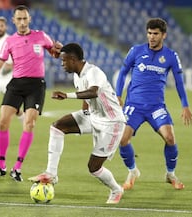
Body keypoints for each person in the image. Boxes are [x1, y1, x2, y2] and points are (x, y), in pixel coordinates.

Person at [28, 43, 126, 204]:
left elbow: (93, 92)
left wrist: (67, 96)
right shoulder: (77, 75)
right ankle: (51, 173)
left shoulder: (94, 72)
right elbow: (86, 98)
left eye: (64, 61)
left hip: (112, 122)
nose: (62, 64)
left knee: (93, 167)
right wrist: (84, 115)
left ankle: (116, 189)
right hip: (93, 117)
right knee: (58, 126)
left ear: (73, 59)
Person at [0, 5, 62, 182]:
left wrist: (59, 49)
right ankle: (1, 165)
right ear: (14, 21)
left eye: (24, 18)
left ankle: (17, 168)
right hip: (16, 83)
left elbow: (55, 53)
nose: (22, 22)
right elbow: (0, 61)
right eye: (18, 19)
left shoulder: (41, 36)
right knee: (3, 122)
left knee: (30, 124)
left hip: (36, 85)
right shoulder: (10, 41)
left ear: (29, 19)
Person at [115, 18, 192, 191]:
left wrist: (185, 105)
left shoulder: (171, 56)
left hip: (156, 107)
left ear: (163, 35)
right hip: (134, 105)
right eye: (149, 33)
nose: (151, 37)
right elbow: (122, 73)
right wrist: (118, 95)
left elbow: (179, 82)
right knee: (122, 139)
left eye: (155, 34)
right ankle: (132, 171)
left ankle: (170, 174)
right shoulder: (136, 51)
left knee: (170, 138)